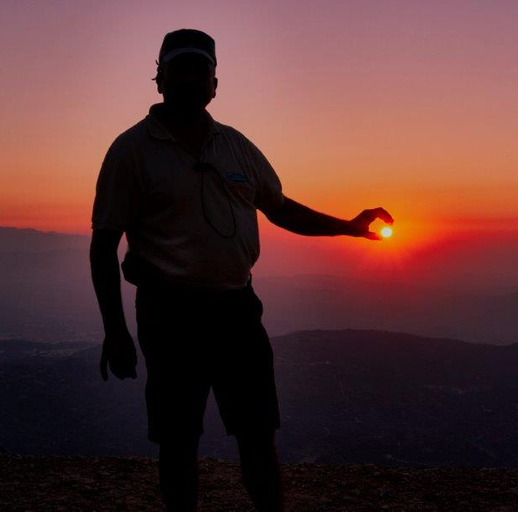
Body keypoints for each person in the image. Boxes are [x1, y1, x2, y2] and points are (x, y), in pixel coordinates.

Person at [90, 28, 394, 512]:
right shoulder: (132, 151)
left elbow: (280, 209)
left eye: (200, 71)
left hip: (236, 307)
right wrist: (115, 332)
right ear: (159, 80)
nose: (190, 80)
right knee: (178, 439)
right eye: (179, 70)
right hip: (169, 312)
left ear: (215, 83)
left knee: (257, 432)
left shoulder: (235, 147)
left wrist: (351, 228)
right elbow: (103, 243)